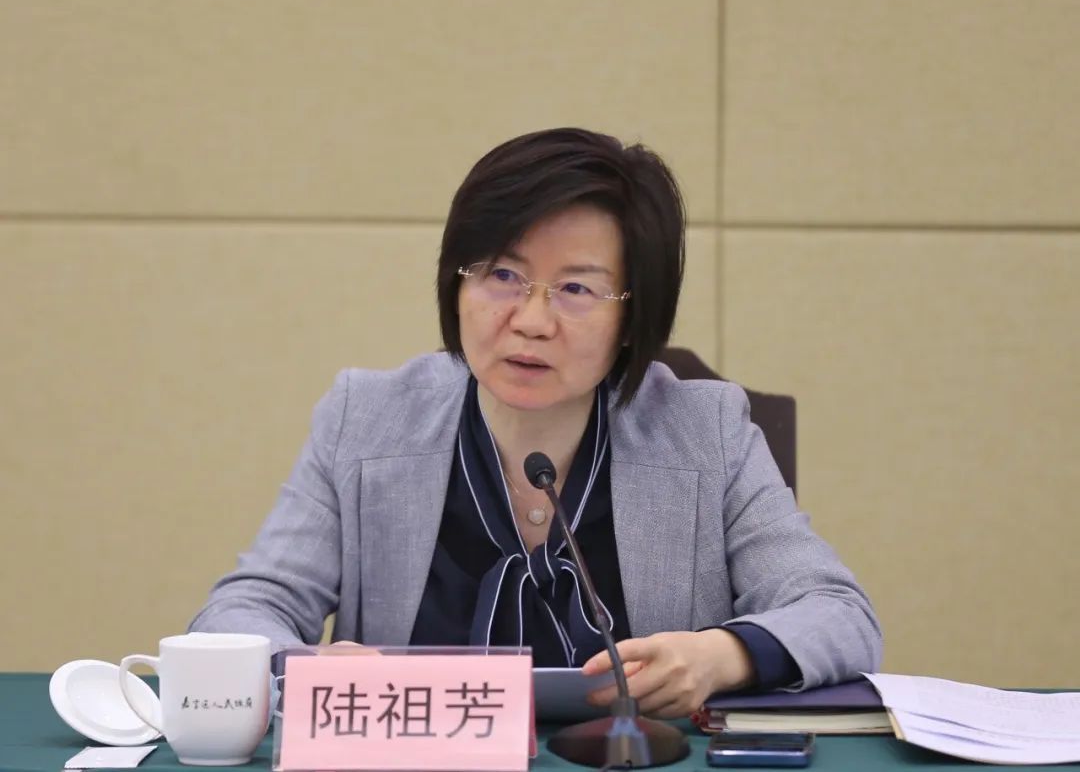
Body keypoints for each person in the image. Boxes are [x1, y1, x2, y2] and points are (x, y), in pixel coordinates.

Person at [189, 127, 882, 719]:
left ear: (632, 316)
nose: (530, 320)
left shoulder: (707, 431)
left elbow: (839, 614)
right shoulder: (367, 418)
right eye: (502, 275)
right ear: (456, 282)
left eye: (576, 288)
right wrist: (303, 666)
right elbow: (244, 609)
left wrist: (720, 654)